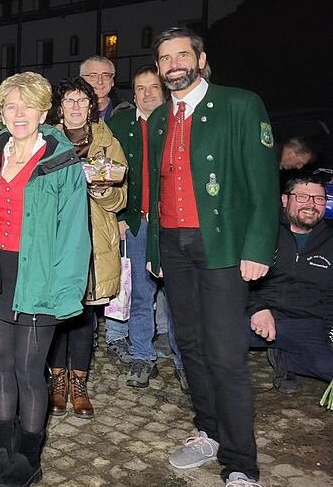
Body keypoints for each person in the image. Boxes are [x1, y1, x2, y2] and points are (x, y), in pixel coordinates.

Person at [145, 27, 278, 487]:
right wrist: (154, 249)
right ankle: (209, 432)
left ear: (201, 60)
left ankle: (241, 463)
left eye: (182, 55)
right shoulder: (160, 117)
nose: (173, 64)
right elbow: (155, 188)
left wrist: (258, 246)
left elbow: (264, 184)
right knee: (191, 345)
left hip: (221, 244)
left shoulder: (240, 104)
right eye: (164, 59)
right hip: (174, 246)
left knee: (225, 353)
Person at [0, 71, 90, 487]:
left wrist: (62, 294)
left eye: (28, 105)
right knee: (1, 365)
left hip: (40, 278)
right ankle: (3, 450)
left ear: (45, 111)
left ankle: (28, 458)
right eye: (10, 105)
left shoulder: (61, 163)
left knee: (30, 368)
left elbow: (73, 236)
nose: (19, 113)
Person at [47, 77, 127, 420]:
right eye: (70, 101)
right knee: (54, 314)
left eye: (82, 100)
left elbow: (121, 197)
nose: (76, 107)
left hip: (93, 241)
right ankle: (57, 381)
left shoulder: (108, 141)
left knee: (83, 318)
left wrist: (100, 190)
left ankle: (79, 384)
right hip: (54, 240)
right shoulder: (46, 139)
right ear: (59, 107)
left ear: (91, 105)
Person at [105, 65, 186, 389]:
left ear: (164, 90)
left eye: (154, 86)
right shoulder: (121, 124)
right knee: (141, 292)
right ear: (133, 92)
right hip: (138, 223)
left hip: (174, 223)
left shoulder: (178, 122)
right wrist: (120, 216)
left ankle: (184, 362)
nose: (147, 93)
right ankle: (142, 355)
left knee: (179, 296)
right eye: (140, 88)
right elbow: (106, 170)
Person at [248, 174, 333, 392]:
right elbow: (237, 278)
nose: (311, 205)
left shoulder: (329, 239)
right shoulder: (263, 230)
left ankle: (285, 356)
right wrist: (257, 308)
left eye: (319, 199)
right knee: (216, 337)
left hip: (306, 323)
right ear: (285, 201)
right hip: (259, 315)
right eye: (303, 197)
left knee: (326, 366)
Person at [80, 55, 132, 121]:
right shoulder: (69, 112)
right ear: (81, 81)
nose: (100, 81)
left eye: (106, 76)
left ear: (112, 81)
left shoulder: (128, 112)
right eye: (93, 76)